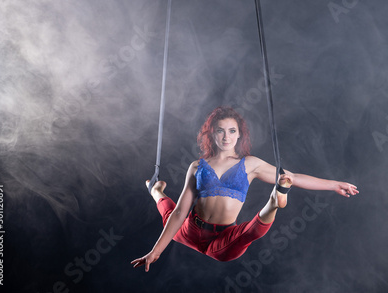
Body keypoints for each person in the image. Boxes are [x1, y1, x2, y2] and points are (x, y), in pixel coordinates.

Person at [131, 106, 358, 271]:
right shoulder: (197, 166)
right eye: (220, 130)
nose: (226, 136)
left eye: (231, 131)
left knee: (248, 232)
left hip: (223, 239)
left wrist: (334, 184)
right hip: (190, 230)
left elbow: (294, 176)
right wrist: (155, 252)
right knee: (170, 213)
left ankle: (274, 200)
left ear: (239, 134)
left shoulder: (250, 164)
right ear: (212, 134)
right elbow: (180, 212)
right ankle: (155, 190)